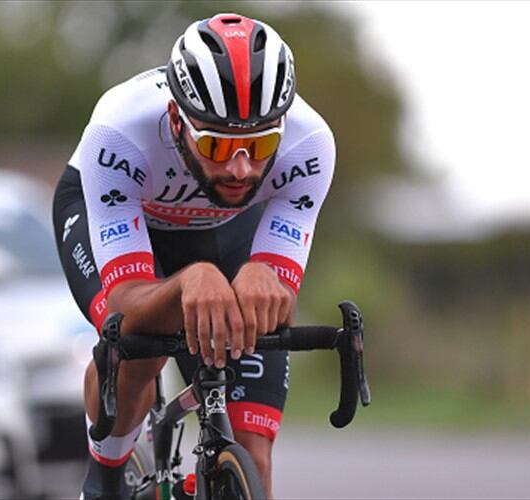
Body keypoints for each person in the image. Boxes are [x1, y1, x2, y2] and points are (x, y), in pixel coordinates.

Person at [53, 13, 335, 499]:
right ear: (176, 119)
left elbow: (279, 301)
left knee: (253, 454)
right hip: (125, 218)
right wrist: (188, 280)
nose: (240, 168)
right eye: (217, 145)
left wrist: (268, 278)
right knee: (141, 346)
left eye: (260, 145)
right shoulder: (118, 132)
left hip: (224, 228)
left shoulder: (309, 145)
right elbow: (124, 303)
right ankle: (105, 478)